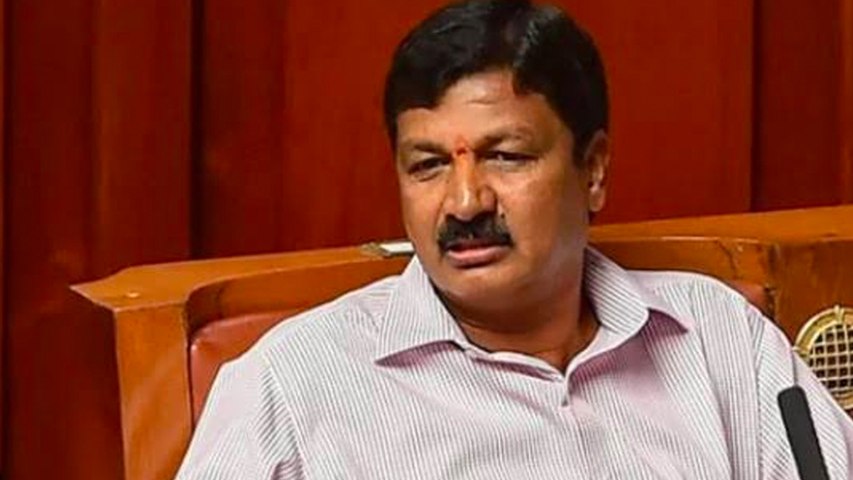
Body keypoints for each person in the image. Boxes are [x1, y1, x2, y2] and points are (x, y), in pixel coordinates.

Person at [177, 0, 853, 478]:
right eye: (428, 166)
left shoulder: (718, 339)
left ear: (592, 171)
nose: (465, 202)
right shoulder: (294, 383)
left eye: (505, 157)